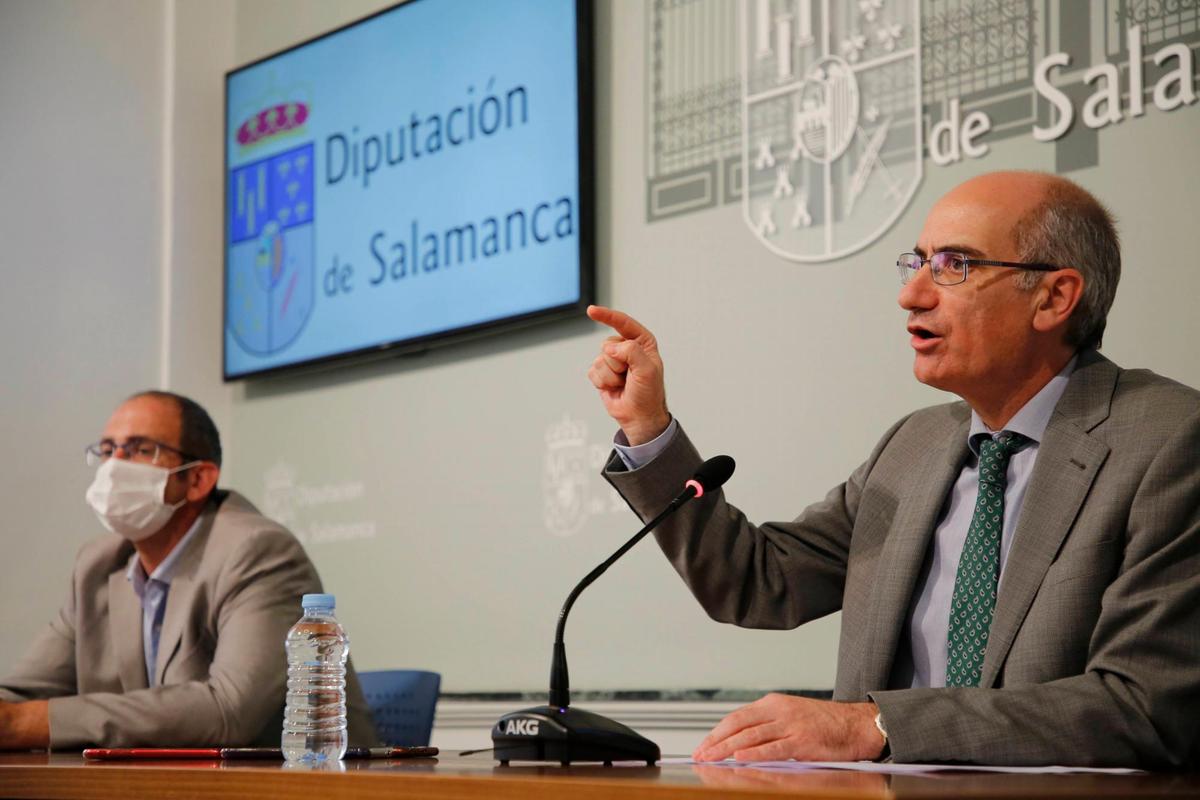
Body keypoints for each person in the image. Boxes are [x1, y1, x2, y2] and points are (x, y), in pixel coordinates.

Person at [586, 171, 1200, 768]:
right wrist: (649, 429)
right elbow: (758, 583)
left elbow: (1145, 706)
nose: (911, 294)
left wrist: (877, 725)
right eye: (918, 263)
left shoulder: (1167, 441)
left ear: (1054, 297)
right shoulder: (913, 447)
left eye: (955, 265)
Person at [0, 391, 377, 749]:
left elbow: (229, 710)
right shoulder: (97, 567)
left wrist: (27, 723)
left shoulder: (257, 552)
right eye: (108, 450)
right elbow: (21, 697)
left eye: (140, 449)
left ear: (197, 479)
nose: (114, 466)